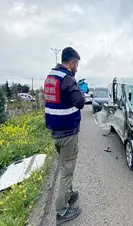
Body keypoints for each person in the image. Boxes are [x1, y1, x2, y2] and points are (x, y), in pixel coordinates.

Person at [43, 47, 85, 225]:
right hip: (67, 133)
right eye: (77, 65)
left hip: (56, 131)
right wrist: (80, 89)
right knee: (67, 171)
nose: (77, 68)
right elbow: (80, 102)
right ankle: (61, 211)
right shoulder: (67, 79)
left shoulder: (50, 77)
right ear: (72, 63)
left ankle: (68, 195)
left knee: (64, 166)